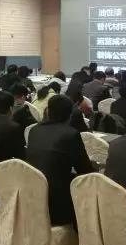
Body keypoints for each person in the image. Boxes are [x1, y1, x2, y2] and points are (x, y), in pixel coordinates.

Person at [26, 94, 93, 225]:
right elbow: (85, 171)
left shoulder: (34, 130)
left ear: (48, 111)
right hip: (56, 203)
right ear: (70, 115)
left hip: (32, 195)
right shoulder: (70, 134)